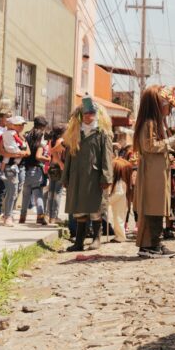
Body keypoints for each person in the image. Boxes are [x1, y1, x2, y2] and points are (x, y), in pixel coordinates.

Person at [133, 86, 175, 258]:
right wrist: (170, 141)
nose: (169, 110)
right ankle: (151, 244)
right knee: (153, 207)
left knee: (158, 207)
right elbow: (149, 145)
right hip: (151, 173)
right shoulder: (149, 123)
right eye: (167, 105)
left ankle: (155, 243)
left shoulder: (154, 122)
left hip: (157, 171)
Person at [63, 98, 114, 252]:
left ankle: (96, 239)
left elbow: (107, 157)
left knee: (95, 209)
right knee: (79, 210)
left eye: (91, 113)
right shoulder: (75, 133)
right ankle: (79, 241)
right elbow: (69, 157)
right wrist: (65, 177)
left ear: (96, 114)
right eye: (85, 113)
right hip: (77, 176)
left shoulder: (102, 133)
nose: (88, 116)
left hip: (94, 177)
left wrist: (106, 177)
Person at [0, 115, 31, 227]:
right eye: (19, 125)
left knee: (17, 190)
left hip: (20, 167)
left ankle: (8, 212)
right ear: (12, 125)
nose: (21, 127)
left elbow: (28, 152)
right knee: (12, 190)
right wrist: (18, 153)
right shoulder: (4, 136)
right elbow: (1, 152)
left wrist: (20, 153)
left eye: (22, 125)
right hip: (9, 166)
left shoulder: (22, 137)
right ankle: (7, 216)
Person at [20, 117, 49, 225]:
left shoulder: (27, 134)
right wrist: (48, 159)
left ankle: (22, 217)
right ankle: (40, 217)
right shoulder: (42, 136)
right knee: (38, 194)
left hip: (25, 168)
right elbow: (38, 156)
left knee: (26, 194)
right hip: (36, 169)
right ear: (43, 126)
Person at [45, 124, 66, 225]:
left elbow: (50, 152)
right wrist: (62, 164)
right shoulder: (60, 141)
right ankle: (54, 217)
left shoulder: (51, 140)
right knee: (57, 192)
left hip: (51, 166)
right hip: (58, 167)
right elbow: (55, 154)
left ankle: (49, 215)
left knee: (51, 192)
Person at [108, 158, 133, 242]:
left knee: (118, 220)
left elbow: (118, 193)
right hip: (120, 204)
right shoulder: (122, 181)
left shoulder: (119, 182)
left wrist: (109, 200)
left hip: (119, 204)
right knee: (118, 219)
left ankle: (120, 237)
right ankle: (119, 235)